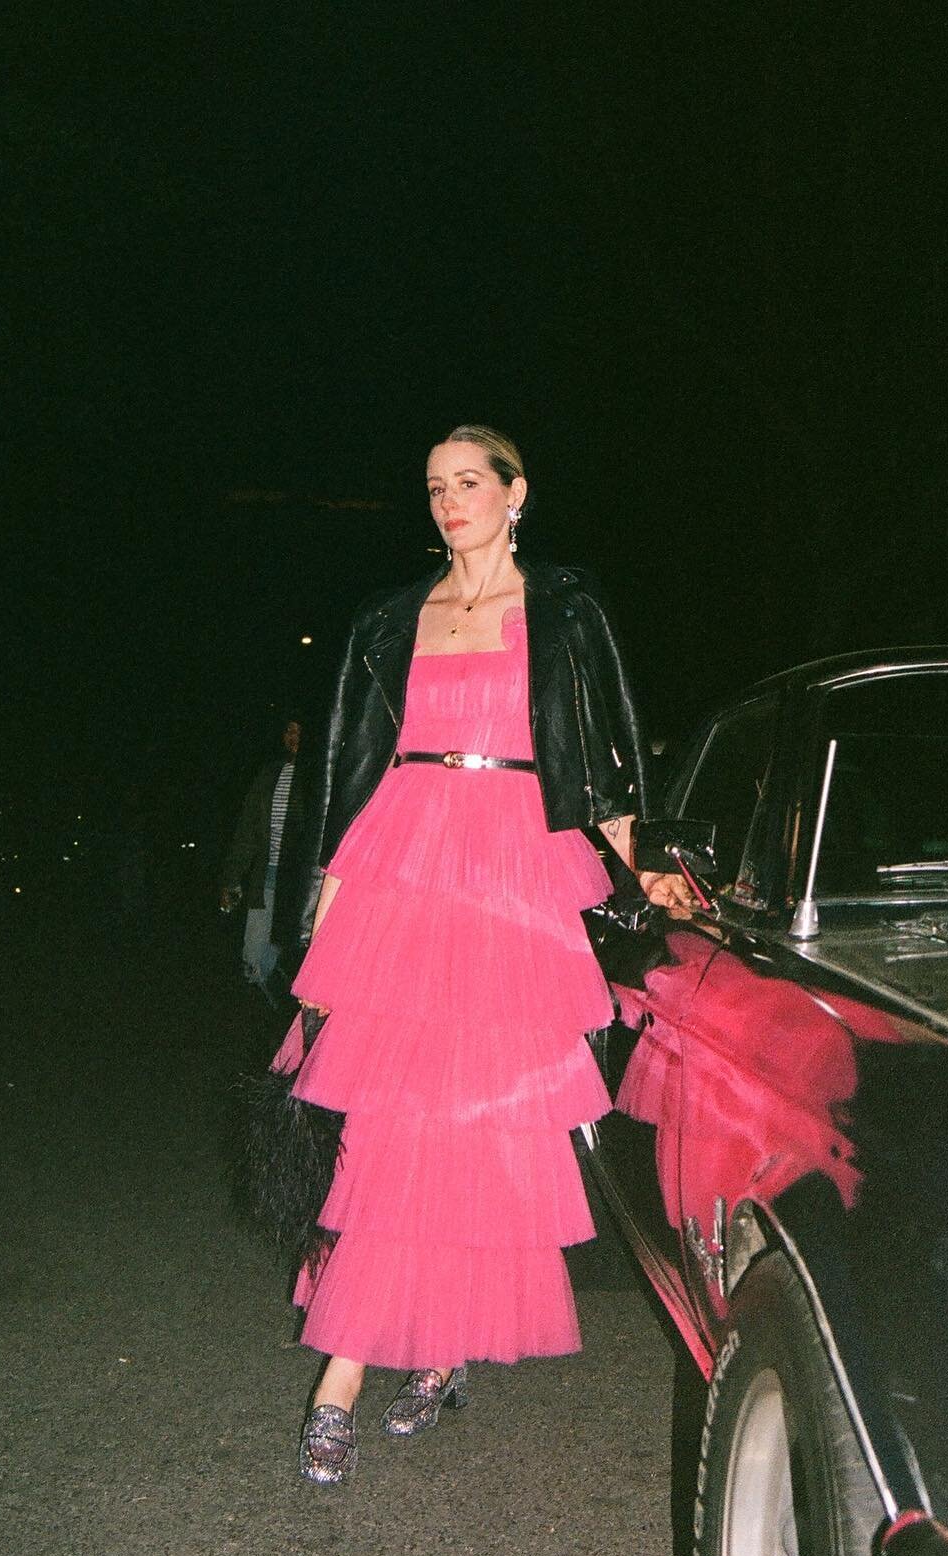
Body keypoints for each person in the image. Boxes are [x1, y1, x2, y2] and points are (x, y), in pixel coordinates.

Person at [272, 424, 689, 1485]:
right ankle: (350, 1372)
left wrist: (651, 866)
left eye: (469, 483)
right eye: (433, 487)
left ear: (516, 495)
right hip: (406, 859)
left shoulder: (562, 609)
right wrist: (325, 897)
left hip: (514, 863)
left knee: (482, 1123)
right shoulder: (387, 619)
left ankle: (430, 1350)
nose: (449, 501)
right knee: (389, 1118)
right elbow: (352, 769)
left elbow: (602, 763)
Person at [218, 717, 303, 998]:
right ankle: (256, 1008)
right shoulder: (269, 775)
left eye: (299, 732)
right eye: (289, 731)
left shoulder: (317, 777)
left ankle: (274, 1008)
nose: (294, 737)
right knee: (254, 951)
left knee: (288, 949)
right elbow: (248, 829)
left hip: (299, 881)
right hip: (266, 874)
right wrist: (232, 879)